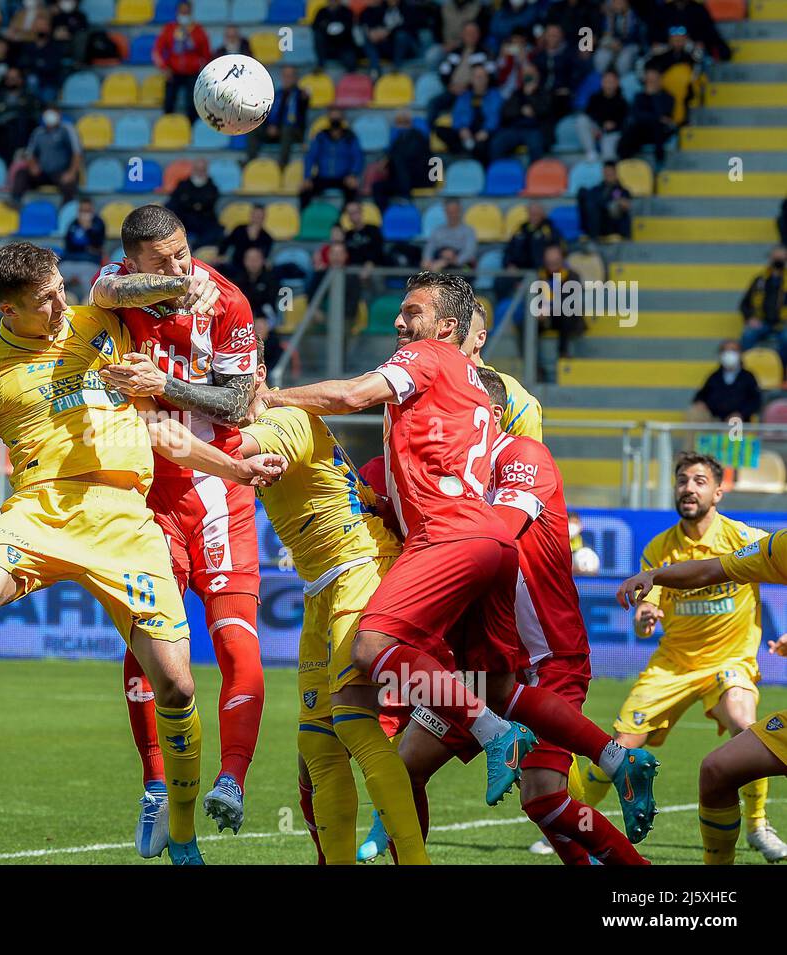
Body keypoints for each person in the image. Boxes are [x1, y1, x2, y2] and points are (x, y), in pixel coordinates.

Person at [0, 244, 278, 866]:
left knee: (178, 686)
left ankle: (182, 835)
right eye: (43, 300)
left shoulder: (102, 324)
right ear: (7, 307)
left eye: (59, 289)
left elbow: (161, 428)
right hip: (39, 510)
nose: (60, 305)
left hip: (126, 517)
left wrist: (234, 467)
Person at [251, 271, 660, 842]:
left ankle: (494, 737)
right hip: (483, 546)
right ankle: (614, 758)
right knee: (490, 693)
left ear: (447, 329)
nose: (399, 322)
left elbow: (349, 396)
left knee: (372, 652)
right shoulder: (466, 393)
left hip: (456, 540)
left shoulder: (432, 363)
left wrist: (268, 397)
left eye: (411, 313)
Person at [384, 369, 648, 865]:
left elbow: (495, 539)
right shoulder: (459, 477)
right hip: (487, 665)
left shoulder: (524, 456)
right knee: (403, 768)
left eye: (456, 407)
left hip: (547, 657)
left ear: (489, 414)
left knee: (544, 797)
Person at [91, 204, 265, 853]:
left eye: (183, 251)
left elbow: (237, 400)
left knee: (235, 641)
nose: (180, 264)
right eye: (162, 259)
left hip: (219, 483)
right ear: (135, 260)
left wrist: (164, 382)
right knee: (151, 646)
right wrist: (163, 286)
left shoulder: (227, 302)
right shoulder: (118, 285)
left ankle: (232, 777)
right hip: (143, 493)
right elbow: (104, 291)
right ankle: (157, 786)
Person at [237, 356, 428, 865]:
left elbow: (236, 451)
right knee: (317, 741)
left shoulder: (283, 420)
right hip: (324, 582)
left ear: (256, 376)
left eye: (227, 379)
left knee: (354, 724)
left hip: (359, 566)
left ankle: (415, 861)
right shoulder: (276, 416)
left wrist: (161, 431)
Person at [610, 453, 787, 864]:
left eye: (699, 481)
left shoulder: (744, 535)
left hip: (729, 660)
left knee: (745, 725)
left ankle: (759, 825)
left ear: (719, 491)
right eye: (682, 480)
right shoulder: (660, 548)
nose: (689, 488)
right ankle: (570, 822)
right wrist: (644, 615)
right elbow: (695, 581)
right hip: (673, 663)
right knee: (619, 748)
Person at [463, 301, 543, 439]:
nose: (449, 338)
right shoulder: (420, 385)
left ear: (480, 338)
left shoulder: (515, 400)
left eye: (460, 332)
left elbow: (529, 457)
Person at [154, 1, 211, 122]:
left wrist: (201, 69)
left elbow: (206, 53)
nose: (184, 14)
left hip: (193, 73)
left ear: (191, 12)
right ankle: (167, 128)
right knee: (168, 103)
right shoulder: (169, 29)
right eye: (182, 11)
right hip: (173, 72)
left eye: (186, 12)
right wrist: (164, 68)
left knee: (193, 104)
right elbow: (157, 50)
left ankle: (192, 130)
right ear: (177, 12)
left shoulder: (198, 30)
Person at [11, 108, 82, 204]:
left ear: (59, 114)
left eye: (53, 113)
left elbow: (77, 153)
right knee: (22, 173)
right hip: (43, 173)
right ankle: (15, 202)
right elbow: (29, 154)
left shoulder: (67, 129)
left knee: (69, 184)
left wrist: (71, 173)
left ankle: (66, 212)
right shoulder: (38, 132)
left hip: (62, 172)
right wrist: (33, 165)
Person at [300, 109, 364, 209]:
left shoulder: (350, 137)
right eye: (333, 117)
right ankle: (304, 218)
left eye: (337, 117)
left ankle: (343, 219)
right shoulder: (320, 137)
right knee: (305, 190)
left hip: (343, 177)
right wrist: (307, 177)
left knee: (353, 190)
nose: (335, 120)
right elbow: (310, 157)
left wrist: (353, 174)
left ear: (342, 119)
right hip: (323, 177)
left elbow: (358, 157)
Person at [247, 65, 308, 167]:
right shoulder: (277, 94)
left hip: (292, 132)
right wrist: (269, 127)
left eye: (290, 76)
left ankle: (282, 165)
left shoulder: (300, 95)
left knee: (287, 128)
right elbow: (266, 113)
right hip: (273, 131)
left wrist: (305, 98)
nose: (287, 79)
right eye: (285, 76)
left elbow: (302, 109)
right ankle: (250, 163)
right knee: (253, 127)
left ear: (296, 78)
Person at [690, 341, 763, 424]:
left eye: (733, 350)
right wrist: (700, 403)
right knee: (694, 413)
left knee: (734, 423)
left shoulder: (748, 377)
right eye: (726, 351)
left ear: (740, 354)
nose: (729, 354)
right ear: (721, 354)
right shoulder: (715, 376)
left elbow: (755, 401)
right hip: (714, 419)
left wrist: (741, 414)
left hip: (738, 420)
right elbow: (701, 395)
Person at [738, 247, 787, 364]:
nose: (778, 261)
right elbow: (744, 304)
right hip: (762, 322)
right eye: (776, 258)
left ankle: (782, 369)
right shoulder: (760, 280)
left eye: (782, 258)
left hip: (783, 323)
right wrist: (750, 318)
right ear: (770, 258)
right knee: (748, 335)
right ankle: (746, 369)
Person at [620, 68, 677, 166]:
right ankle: (625, 162)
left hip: (659, 132)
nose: (651, 84)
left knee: (656, 126)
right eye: (649, 81)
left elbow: (662, 114)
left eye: (654, 81)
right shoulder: (639, 96)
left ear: (660, 80)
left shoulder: (668, 97)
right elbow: (636, 115)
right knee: (631, 129)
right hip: (642, 130)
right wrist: (656, 118)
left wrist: (654, 96)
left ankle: (659, 163)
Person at [166, 158, 222, 249]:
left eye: (202, 170)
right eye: (197, 169)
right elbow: (174, 203)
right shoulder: (182, 185)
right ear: (193, 170)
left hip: (204, 220)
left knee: (217, 231)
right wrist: (196, 204)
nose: (200, 172)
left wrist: (189, 202)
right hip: (184, 219)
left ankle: (195, 248)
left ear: (206, 170)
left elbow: (208, 204)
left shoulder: (212, 187)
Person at [577, 69, 628, 162]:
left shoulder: (622, 101)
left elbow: (624, 122)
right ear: (602, 82)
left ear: (617, 83)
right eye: (606, 81)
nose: (608, 84)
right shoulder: (594, 98)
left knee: (609, 156)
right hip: (597, 129)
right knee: (582, 120)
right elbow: (589, 114)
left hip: (612, 134)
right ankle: (591, 153)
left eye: (611, 82)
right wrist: (598, 126)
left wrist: (612, 126)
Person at [579, 160, 633, 240]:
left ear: (616, 173)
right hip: (597, 222)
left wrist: (618, 203)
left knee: (596, 203)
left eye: (610, 172)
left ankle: (593, 237)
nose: (608, 174)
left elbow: (626, 205)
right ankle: (592, 234)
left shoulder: (622, 190)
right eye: (606, 172)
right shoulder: (596, 189)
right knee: (583, 192)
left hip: (612, 224)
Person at [503, 202, 562, 273]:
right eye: (531, 214)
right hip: (518, 270)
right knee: (501, 280)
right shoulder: (520, 230)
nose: (534, 216)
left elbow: (558, 251)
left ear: (543, 214)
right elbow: (509, 249)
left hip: (542, 271)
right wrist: (509, 264)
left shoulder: (550, 231)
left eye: (536, 214)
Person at [421, 198, 478, 271]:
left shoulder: (469, 231)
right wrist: (427, 260)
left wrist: (450, 261)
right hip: (439, 260)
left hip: (460, 264)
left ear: (460, 211)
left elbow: (469, 252)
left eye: (454, 211)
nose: (452, 215)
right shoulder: (438, 230)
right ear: (445, 212)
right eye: (449, 212)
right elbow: (429, 247)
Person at [219, 204, 274, 272]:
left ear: (264, 217)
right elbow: (226, 243)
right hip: (236, 264)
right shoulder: (239, 229)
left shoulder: (267, 237)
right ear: (251, 215)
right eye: (255, 214)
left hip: (254, 268)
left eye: (259, 215)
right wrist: (221, 255)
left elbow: (265, 256)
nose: (257, 217)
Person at [312, 0, 359, 71]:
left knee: (351, 63)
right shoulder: (321, 12)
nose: (333, 2)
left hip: (343, 46)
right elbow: (315, 27)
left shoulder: (347, 11)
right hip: (327, 47)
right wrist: (327, 28)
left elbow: (349, 28)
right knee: (317, 36)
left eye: (335, 0)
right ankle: (320, 63)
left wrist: (333, 29)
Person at [62, 198, 106, 264]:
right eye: (82, 210)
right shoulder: (74, 223)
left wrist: (88, 229)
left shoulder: (98, 223)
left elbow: (98, 244)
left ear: (92, 210)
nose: (84, 214)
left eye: (87, 211)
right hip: (72, 256)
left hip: (91, 258)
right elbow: (68, 244)